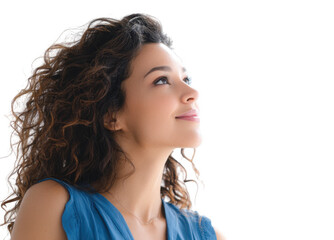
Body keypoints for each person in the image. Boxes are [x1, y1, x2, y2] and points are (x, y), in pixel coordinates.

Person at [1, 13, 225, 240]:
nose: (192, 93)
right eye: (161, 80)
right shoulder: (54, 206)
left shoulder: (208, 235)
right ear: (111, 114)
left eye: (186, 80)